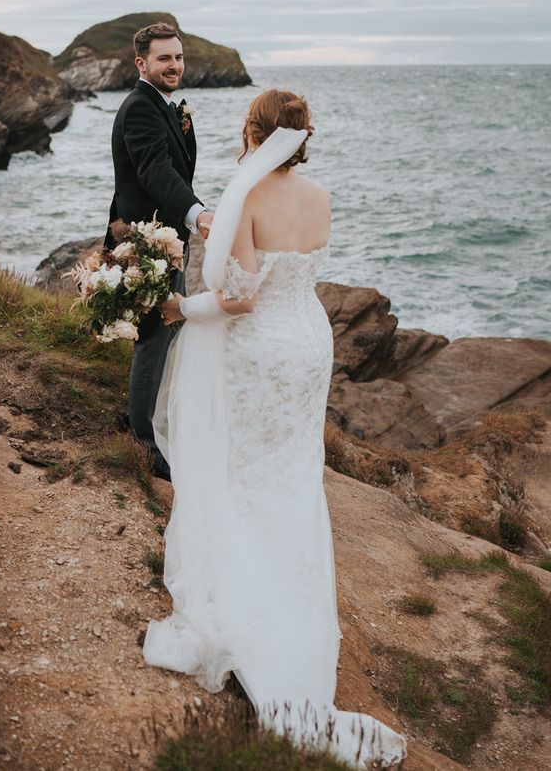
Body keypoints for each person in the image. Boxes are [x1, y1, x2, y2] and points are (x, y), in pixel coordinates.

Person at [142, 89, 407, 768]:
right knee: (290, 476)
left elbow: (236, 299)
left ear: (251, 131)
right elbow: (298, 276)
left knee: (241, 472)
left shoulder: (247, 194)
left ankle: (247, 615)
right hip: (310, 343)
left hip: (259, 349)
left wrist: (175, 307)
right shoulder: (318, 195)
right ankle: (298, 613)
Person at [104, 21, 213, 480]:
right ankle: (143, 442)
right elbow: (155, 171)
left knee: (167, 328)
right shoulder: (140, 109)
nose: (174, 65)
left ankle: (143, 414)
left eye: (179, 57)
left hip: (167, 239)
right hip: (149, 240)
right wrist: (197, 213)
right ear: (141, 63)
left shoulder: (167, 105)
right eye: (164, 58)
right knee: (154, 333)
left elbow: (174, 167)